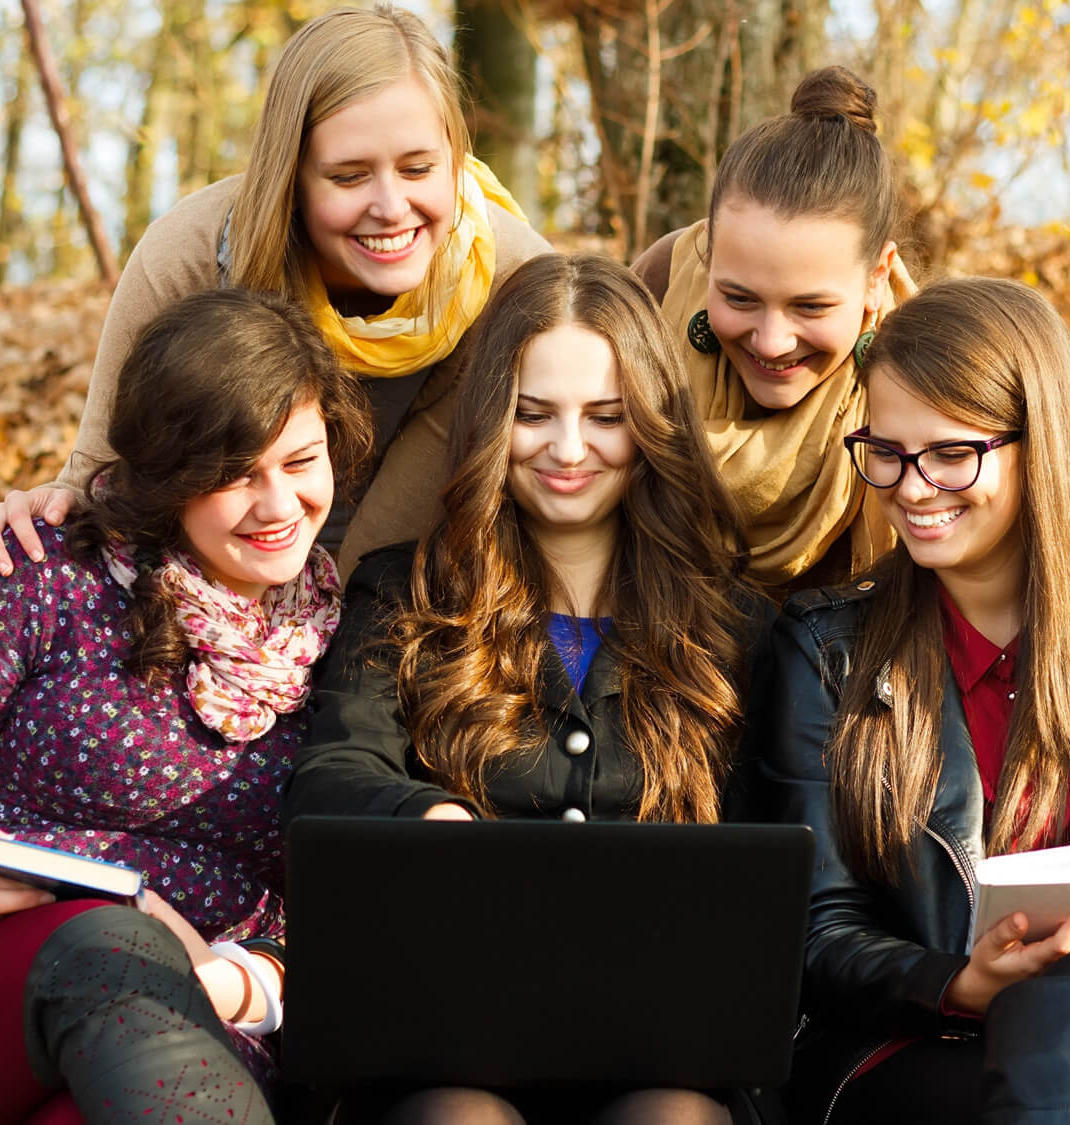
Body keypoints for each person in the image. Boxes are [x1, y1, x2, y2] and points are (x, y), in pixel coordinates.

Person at [0, 287, 375, 1125]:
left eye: (299, 462)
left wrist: (232, 979)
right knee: (113, 943)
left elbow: (354, 910)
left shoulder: (346, 646)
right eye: (234, 475)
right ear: (169, 476)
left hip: (202, 1035)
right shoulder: (38, 578)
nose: (278, 505)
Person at [761, 276, 1070, 1125]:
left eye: (951, 453)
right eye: (885, 450)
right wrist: (963, 980)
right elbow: (820, 931)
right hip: (920, 1042)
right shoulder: (826, 649)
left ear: (1042, 445)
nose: (912, 488)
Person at [284, 253, 776, 1124]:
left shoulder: (731, 626)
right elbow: (332, 771)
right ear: (488, 421)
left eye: (606, 417)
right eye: (534, 414)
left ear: (653, 422)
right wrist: (425, 818)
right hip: (439, 1043)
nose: (569, 449)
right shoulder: (405, 593)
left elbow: (774, 856)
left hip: (663, 1050)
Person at [0, 3, 548, 582]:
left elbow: (388, 556)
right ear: (290, 174)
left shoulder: (512, 279)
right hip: (215, 571)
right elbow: (101, 477)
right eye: (348, 176)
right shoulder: (190, 255)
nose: (392, 209)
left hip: (406, 579)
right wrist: (36, 525)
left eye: (419, 170)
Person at [632, 65, 916, 597]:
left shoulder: (927, 388)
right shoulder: (656, 289)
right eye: (739, 298)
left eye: (810, 307)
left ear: (877, 279)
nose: (771, 341)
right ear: (709, 254)